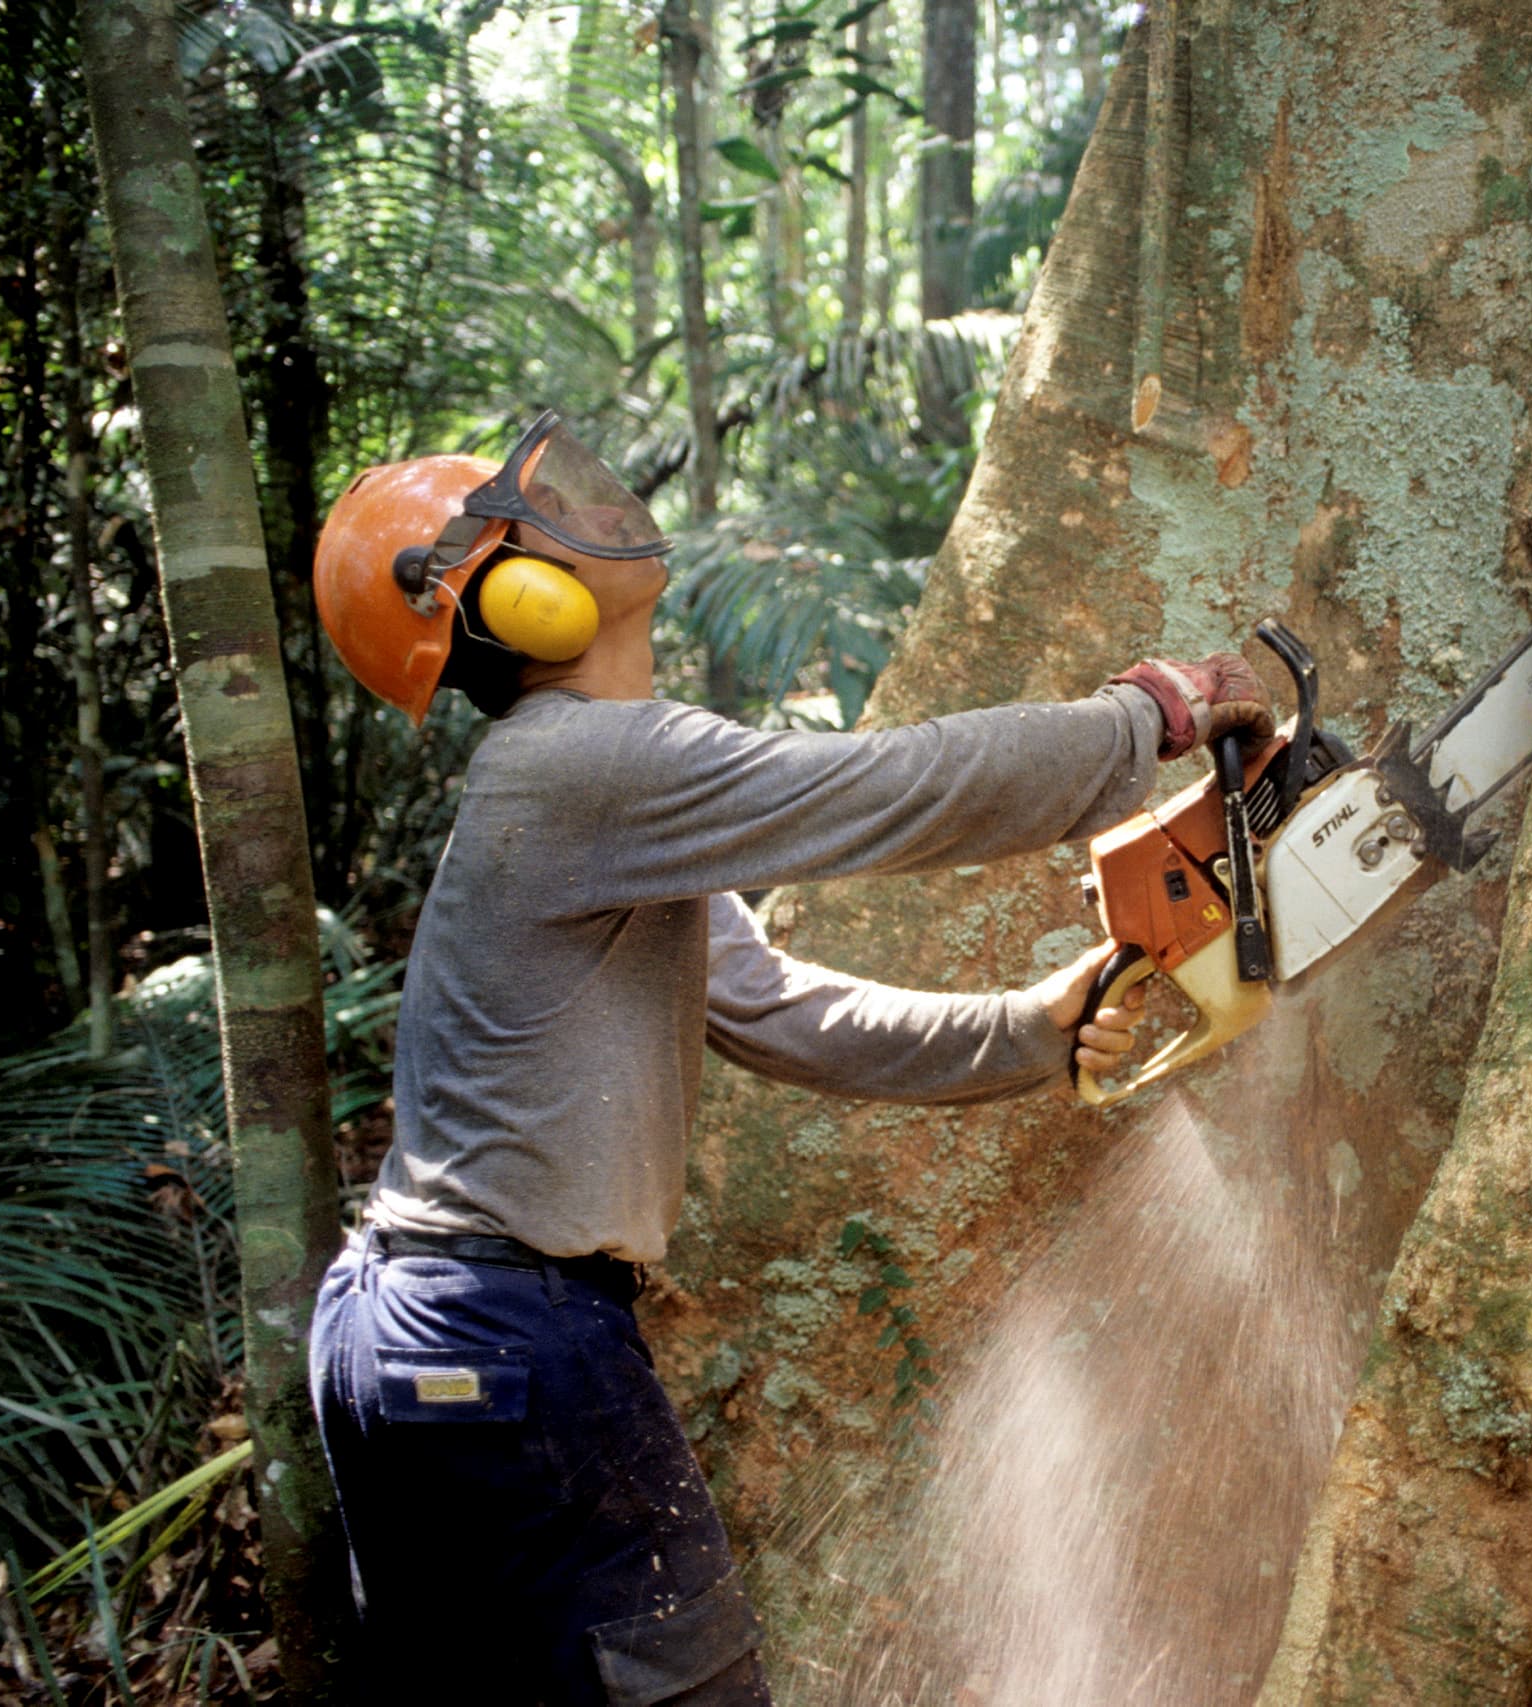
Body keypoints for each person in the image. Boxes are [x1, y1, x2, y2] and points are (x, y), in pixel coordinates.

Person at [304, 409, 1271, 1704]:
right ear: (514, 601)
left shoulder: (602, 804)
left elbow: (782, 1011)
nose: (598, 507)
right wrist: (1149, 715)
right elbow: (887, 791)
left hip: (410, 1333)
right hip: (507, 1334)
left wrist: (1022, 1031)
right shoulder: (579, 762)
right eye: (542, 517)